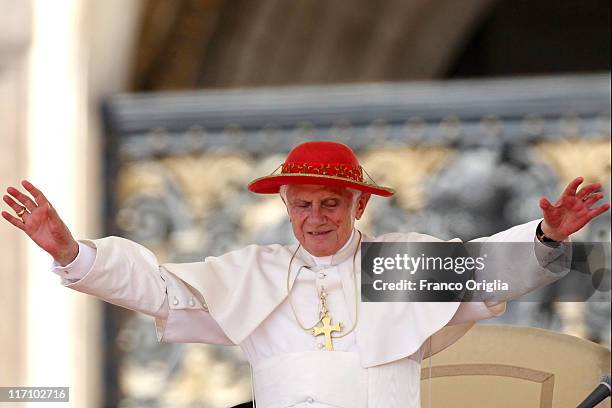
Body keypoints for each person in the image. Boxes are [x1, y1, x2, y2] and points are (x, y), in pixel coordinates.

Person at [2, 141, 609, 408]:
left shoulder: (393, 263)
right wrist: (72, 253)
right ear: (286, 206)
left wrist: (550, 235)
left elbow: (484, 272)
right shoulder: (255, 272)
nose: (315, 217)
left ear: (358, 205)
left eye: (330, 203)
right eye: (302, 204)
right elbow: (156, 286)